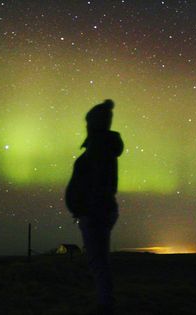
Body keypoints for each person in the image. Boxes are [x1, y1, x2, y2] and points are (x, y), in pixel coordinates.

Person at [65, 99, 124, 314]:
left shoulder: (98, 149)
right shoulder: (103, 148)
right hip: (98, 210)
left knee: (98, 261)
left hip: (96, 212)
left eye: (89, 122)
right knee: (98, 259)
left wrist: (86, 208)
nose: (86, 126)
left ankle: (106, 304)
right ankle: (105, 300)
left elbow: (96, 184)